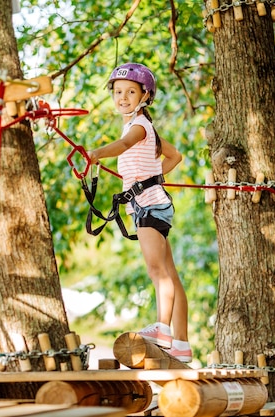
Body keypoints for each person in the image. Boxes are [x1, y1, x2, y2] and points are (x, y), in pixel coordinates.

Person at [88, 63, 192, 362]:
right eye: (118, 92)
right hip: (153, 200)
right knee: (169, 272)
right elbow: (175, 155)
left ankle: (162, 329)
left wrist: (96, 153)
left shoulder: (139, 127)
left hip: (149, 204)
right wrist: (153, 175)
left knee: (156, 271)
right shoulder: (147, 126)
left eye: (130, 92)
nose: (123, 97)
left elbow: (123, 145)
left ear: (145, 95)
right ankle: (182, 345)